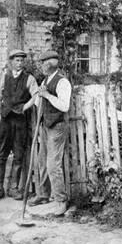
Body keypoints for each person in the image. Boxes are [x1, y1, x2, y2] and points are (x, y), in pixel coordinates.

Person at [0, 49, 38, 204]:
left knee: (18, 156)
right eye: (17, 60)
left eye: (21, 60)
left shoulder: (29, 78)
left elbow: (36, 96)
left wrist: (25, 107)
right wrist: (0, 110)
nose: (19, 63)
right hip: (6, 121)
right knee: (2, 154)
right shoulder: (5, 75)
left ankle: (13, 189)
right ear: (11, 62)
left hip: (20, 122)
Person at [28, 50, 72, 217]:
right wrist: (39, 96)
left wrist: (46, 94)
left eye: (42, 63)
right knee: (41, 161)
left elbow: (64, 106)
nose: (40, 66)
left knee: (53, 164)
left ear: (48, 65)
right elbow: (41, 103)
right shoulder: (46, 80)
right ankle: (43, 195)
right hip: (45, 126)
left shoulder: (62, 82)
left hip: (57, 127)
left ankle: (61, 200)